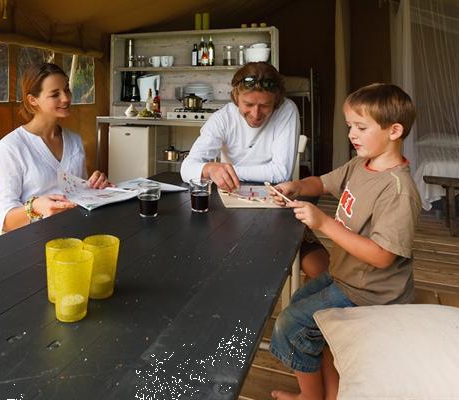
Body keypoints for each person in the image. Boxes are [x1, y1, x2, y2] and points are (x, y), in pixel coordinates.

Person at [267, 83, 421, 400]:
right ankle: (330, 383)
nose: (352, 134)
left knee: (290, 324)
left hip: (373, 293)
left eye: (361, 127)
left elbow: (381, 258)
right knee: (297, 304)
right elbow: (323, 182)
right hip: (346, 277)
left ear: (394, 130)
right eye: (350, 125)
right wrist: (296, 186)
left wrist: (323, 223)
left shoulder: (397, 191)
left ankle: (310, 398)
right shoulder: (360, 164)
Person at [0, 63, 110, 233]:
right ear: (33, 100)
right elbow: (5, 221)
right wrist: (35, 207)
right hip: (32, 243)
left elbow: (80, 195)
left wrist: (95, 185)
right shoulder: (10, 148)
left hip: (76, 231)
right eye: (55, 94)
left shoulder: (74, 140)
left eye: (67, 90)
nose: (66, 98)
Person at [180, 62, 300, 191]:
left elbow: (281, 173)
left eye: (265, 105)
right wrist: (209, 169)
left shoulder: (286, 109)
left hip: (275, 195)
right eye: (248, 104)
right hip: (232, 193)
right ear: (236, 97)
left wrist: (225, 172)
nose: (256, 114)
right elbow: (187, 168)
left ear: (276, 100)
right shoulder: (223, 118)